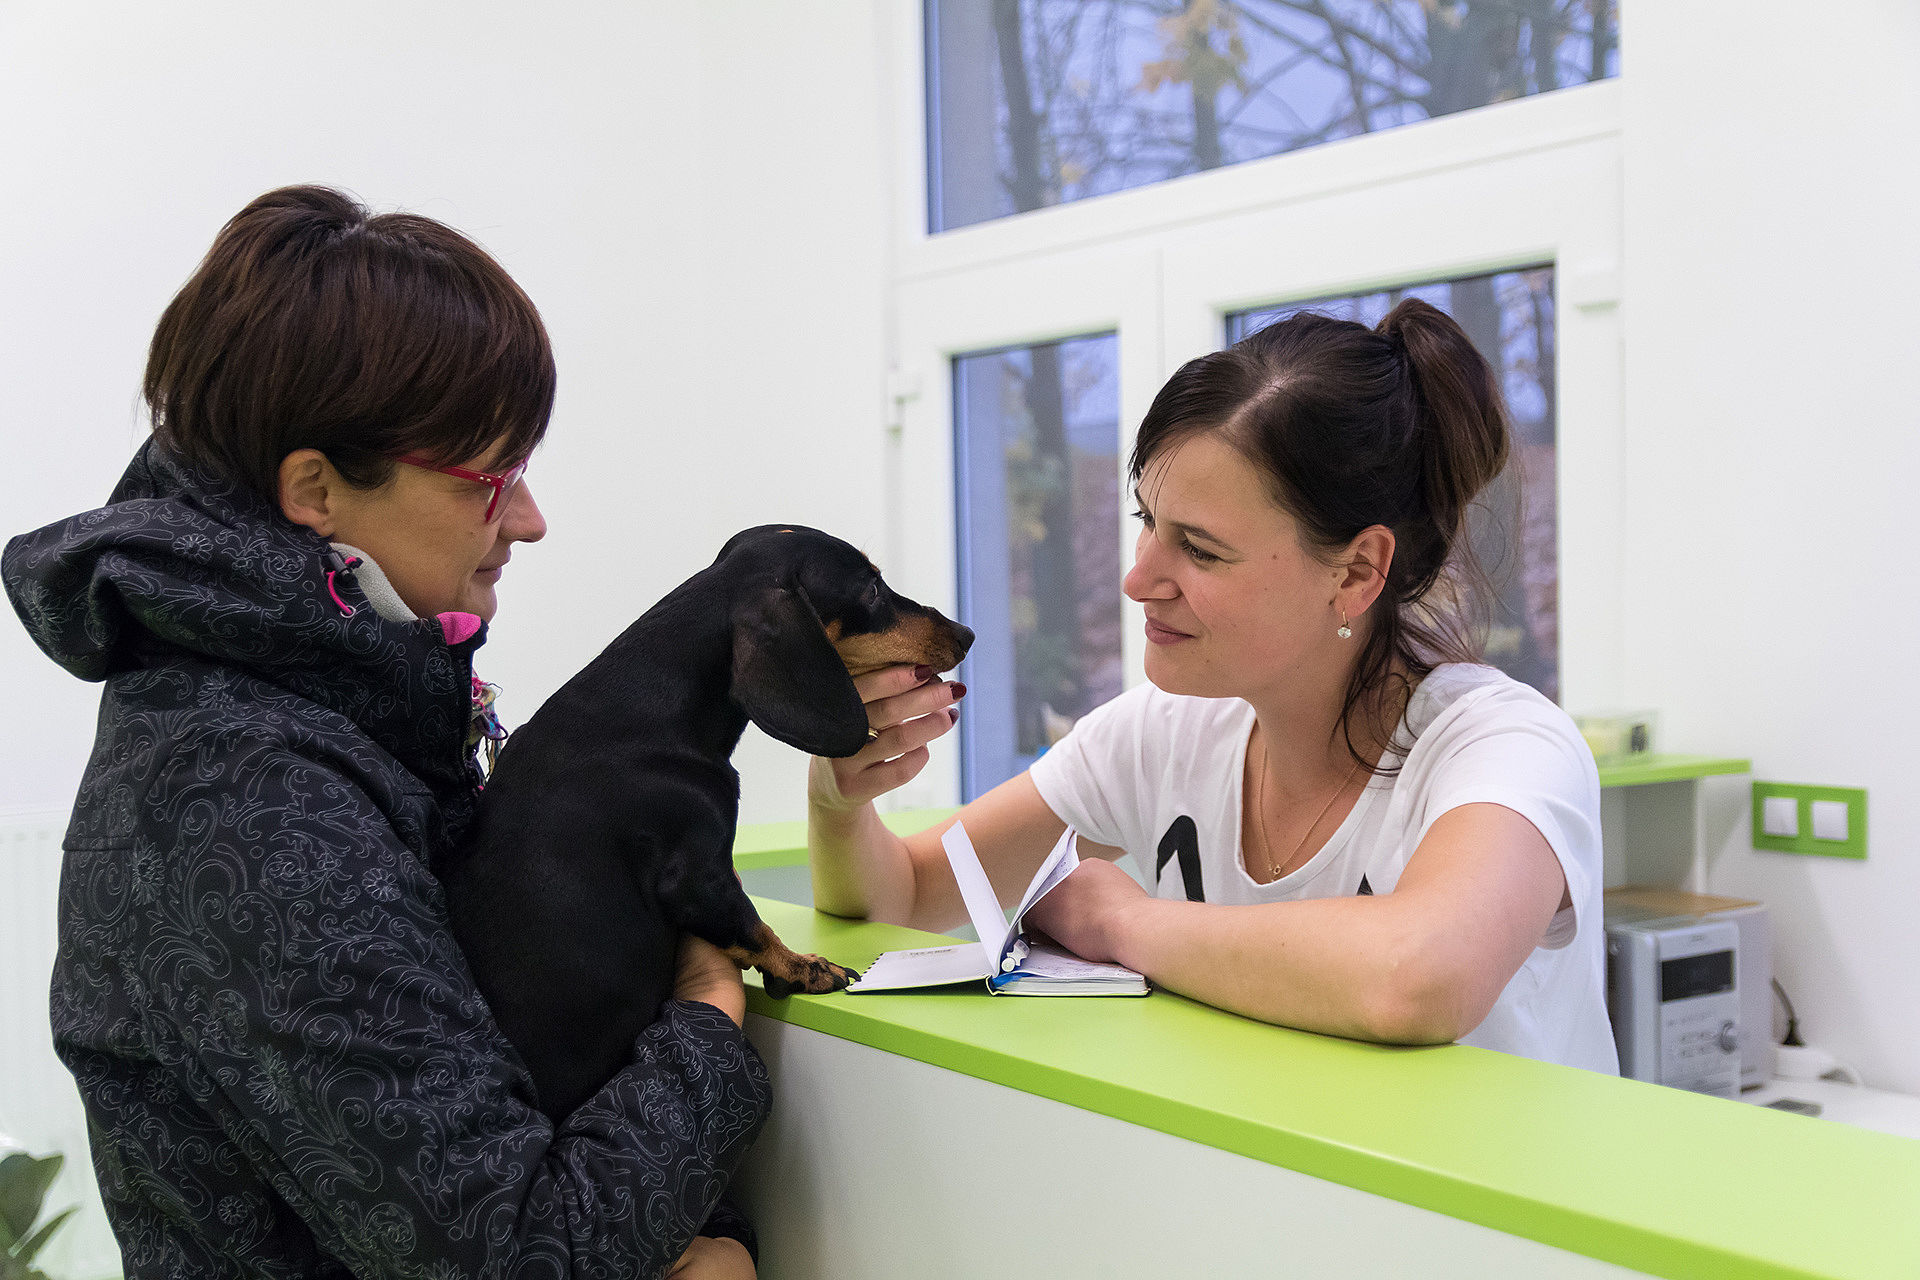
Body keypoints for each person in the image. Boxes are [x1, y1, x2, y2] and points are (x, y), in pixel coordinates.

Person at [3, 186, 767, 1279]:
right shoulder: (248, 795)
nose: (529, 517)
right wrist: (705, 1024)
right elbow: (514, 1255)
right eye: (490, 478)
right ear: (315, 487)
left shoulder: (325, 713)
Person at [809, 301, 1618, 1073]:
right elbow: (908, 891)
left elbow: (1418, 977)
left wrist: (1121, 920)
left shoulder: (1504, 747)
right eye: (1147, 524)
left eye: (1199, 550)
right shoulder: (1160, 735)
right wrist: (840, 802)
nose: (1138, 579)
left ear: (1357, 571)